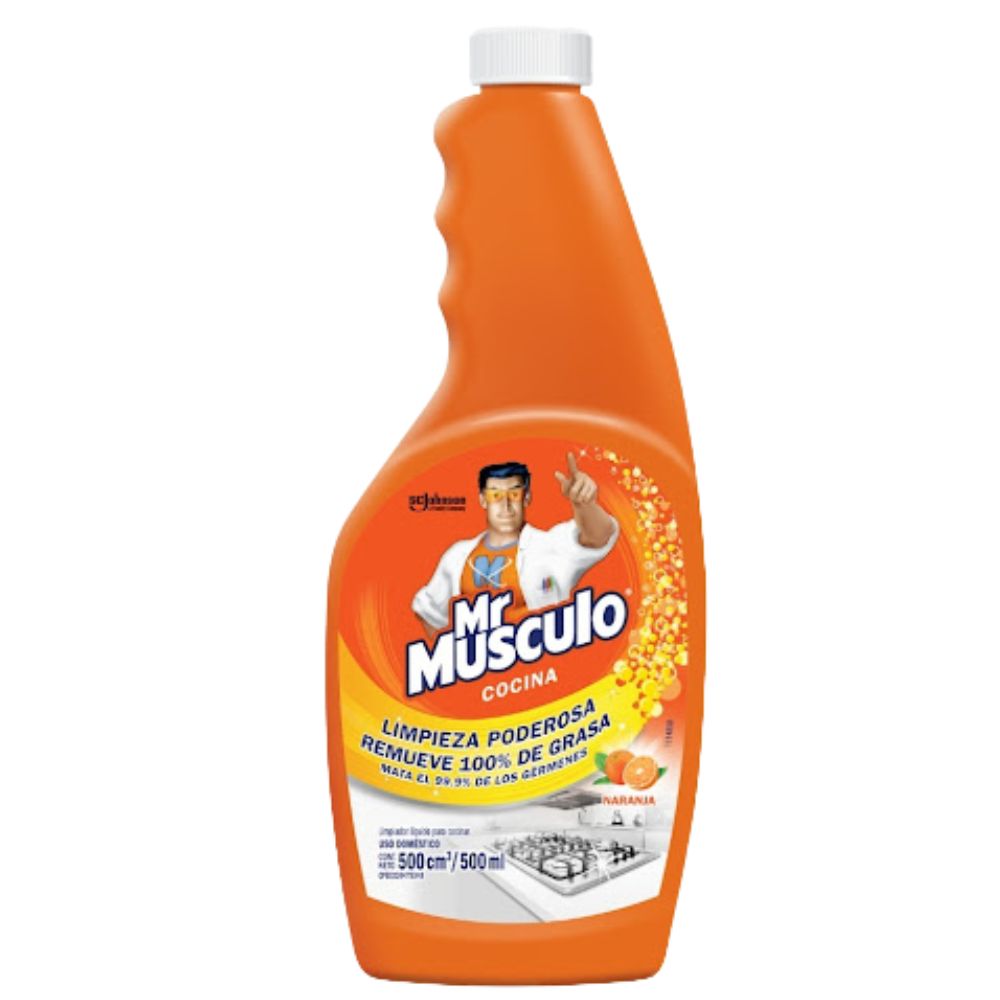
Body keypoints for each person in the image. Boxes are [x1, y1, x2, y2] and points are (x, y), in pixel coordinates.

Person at [412, 453, 619, 631]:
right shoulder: (457, 556)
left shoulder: (551, 546)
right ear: (482, 500)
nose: (506, 505)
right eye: (495, 495)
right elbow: (429, 614)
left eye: (514, 493)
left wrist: (584, 505)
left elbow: (598, 537)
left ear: (526, 498)